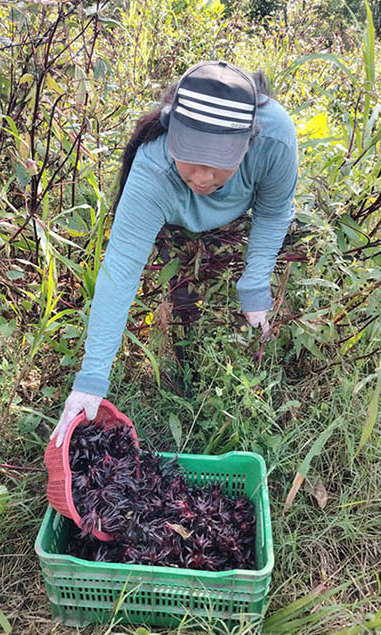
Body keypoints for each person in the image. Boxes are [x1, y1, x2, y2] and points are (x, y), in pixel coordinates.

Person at [52, 60, 298, 445]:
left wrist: (254, 286)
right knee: (183, 302)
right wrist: (91, 380)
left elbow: (274, 211)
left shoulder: (275, 139)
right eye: (191, 158)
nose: (202, 177)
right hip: (172, 219)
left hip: (236, 222)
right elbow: (121, 269)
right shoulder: (154, 167)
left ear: (248, 143)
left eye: (218, 163)